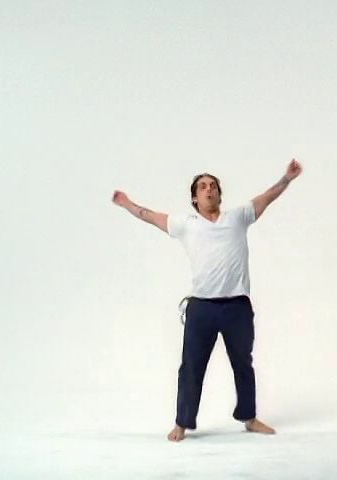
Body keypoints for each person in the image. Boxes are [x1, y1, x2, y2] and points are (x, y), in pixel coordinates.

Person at [111, 159, 303, 441]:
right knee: (191, 366)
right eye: (202, 187)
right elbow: (148, 215)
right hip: (201, 308)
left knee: (243, 363)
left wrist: (286, 178)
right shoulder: (185, 224)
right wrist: (127, 203)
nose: (209, 190)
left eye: (213, 186)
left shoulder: (238, 217)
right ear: (195, 198)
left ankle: (249, 418)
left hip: (237, 306)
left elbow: (267, 197)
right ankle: (182, 423)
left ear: (219, 195)